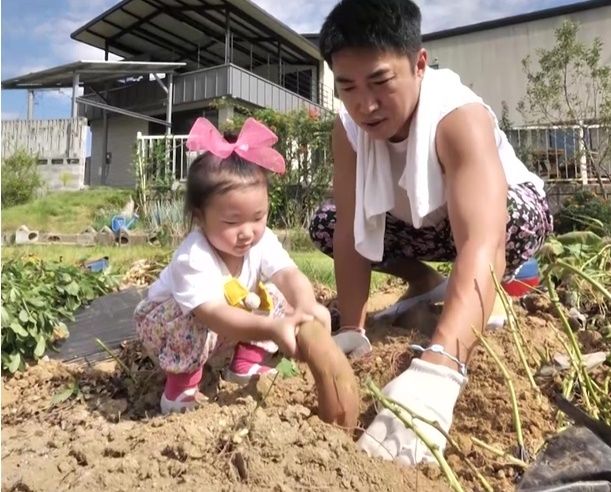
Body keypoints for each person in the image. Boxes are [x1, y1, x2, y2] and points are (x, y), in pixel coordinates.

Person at [309, 0, 553, 465]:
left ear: (419, 64)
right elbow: (352, 227)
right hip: (423, 228)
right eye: (347, 87)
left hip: (497, 221)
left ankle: (496, 285)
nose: (365, 104)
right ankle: (425, 282)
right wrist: (353, 330)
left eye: (380, 81)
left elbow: (483, 239)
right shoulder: (348, 130)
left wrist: (440, 367)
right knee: (327, 221)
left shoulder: (457, 115)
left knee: (507, 223)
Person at [135, 117, 331, 414]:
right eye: (232, 222)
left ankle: (247, 361)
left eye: (258, 217)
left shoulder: (260, 242)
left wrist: (305, 305)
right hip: (171, 327)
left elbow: (289, 274)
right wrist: (271, 329)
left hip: (225, 322)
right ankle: (182, 384)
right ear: (200, 217)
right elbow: (212, 315)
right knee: (191, 318)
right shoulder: (194, 257)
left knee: (276, 295)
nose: (247, 231)